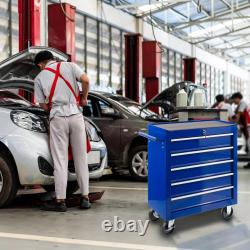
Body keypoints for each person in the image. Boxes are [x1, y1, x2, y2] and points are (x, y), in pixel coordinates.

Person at [34, 50, 90, 212]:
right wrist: (84, 98)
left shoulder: (39, 77)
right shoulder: (70, 66)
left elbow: (43, 106)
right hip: (76, 115)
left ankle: (60, 201)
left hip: (57, 117)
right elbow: (85, 80)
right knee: (81, 159)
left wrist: (49, 104)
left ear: (40, 65)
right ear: (52, 59)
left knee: (60, 160)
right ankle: (85, 198)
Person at [232, 92, 250, 159]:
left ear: (237, 98)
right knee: (248, 144)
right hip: (245, 126)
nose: (233, 101)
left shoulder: (242, 103)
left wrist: (233, 125)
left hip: (248, 126)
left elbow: (238, 115)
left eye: (234, 99)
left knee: (249, 143)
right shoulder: (240, 104)